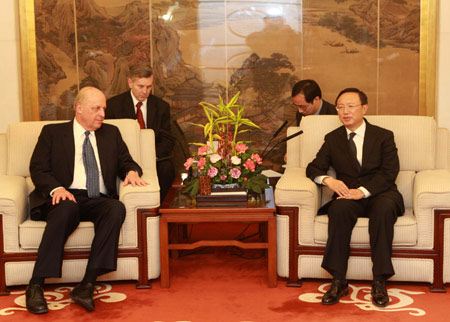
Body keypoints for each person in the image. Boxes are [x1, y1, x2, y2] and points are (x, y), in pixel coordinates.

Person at [25, 87, 148, 314]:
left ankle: (87, 284)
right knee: (66, 209)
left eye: (103, 108)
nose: (102, 113)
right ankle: (36, 285)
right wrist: (57, 188)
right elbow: (38, 169)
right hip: (65, 196)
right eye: (96, 108)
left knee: (115, 208)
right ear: (79, 109)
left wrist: (131, 172)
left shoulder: (111, 133)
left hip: (97, 199)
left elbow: (126, 162)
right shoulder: (52, 132)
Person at [306, 88, 404, 307]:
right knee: (338, 210)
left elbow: (390, 172)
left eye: (350, 106)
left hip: (381, 193)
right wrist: (327, 181)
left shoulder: (383, 136)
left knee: (383, 209)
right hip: (349, 196)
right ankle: (338, 280)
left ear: (364, 109)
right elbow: (313, 167)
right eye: (340, 107)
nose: (344, 112)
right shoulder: (333, 139)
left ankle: (379, 280)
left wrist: (364, 191)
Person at [106, 64, 175, 203]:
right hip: (124, 158)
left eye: (149, 87)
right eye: (140, 86)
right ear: (130, 82)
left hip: (153, 157)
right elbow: (108, 140)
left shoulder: (161, 107)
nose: (145, 91)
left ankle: (160, 209)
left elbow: (167, 139)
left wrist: (150, 155)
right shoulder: (113, 105)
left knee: (167, 168)